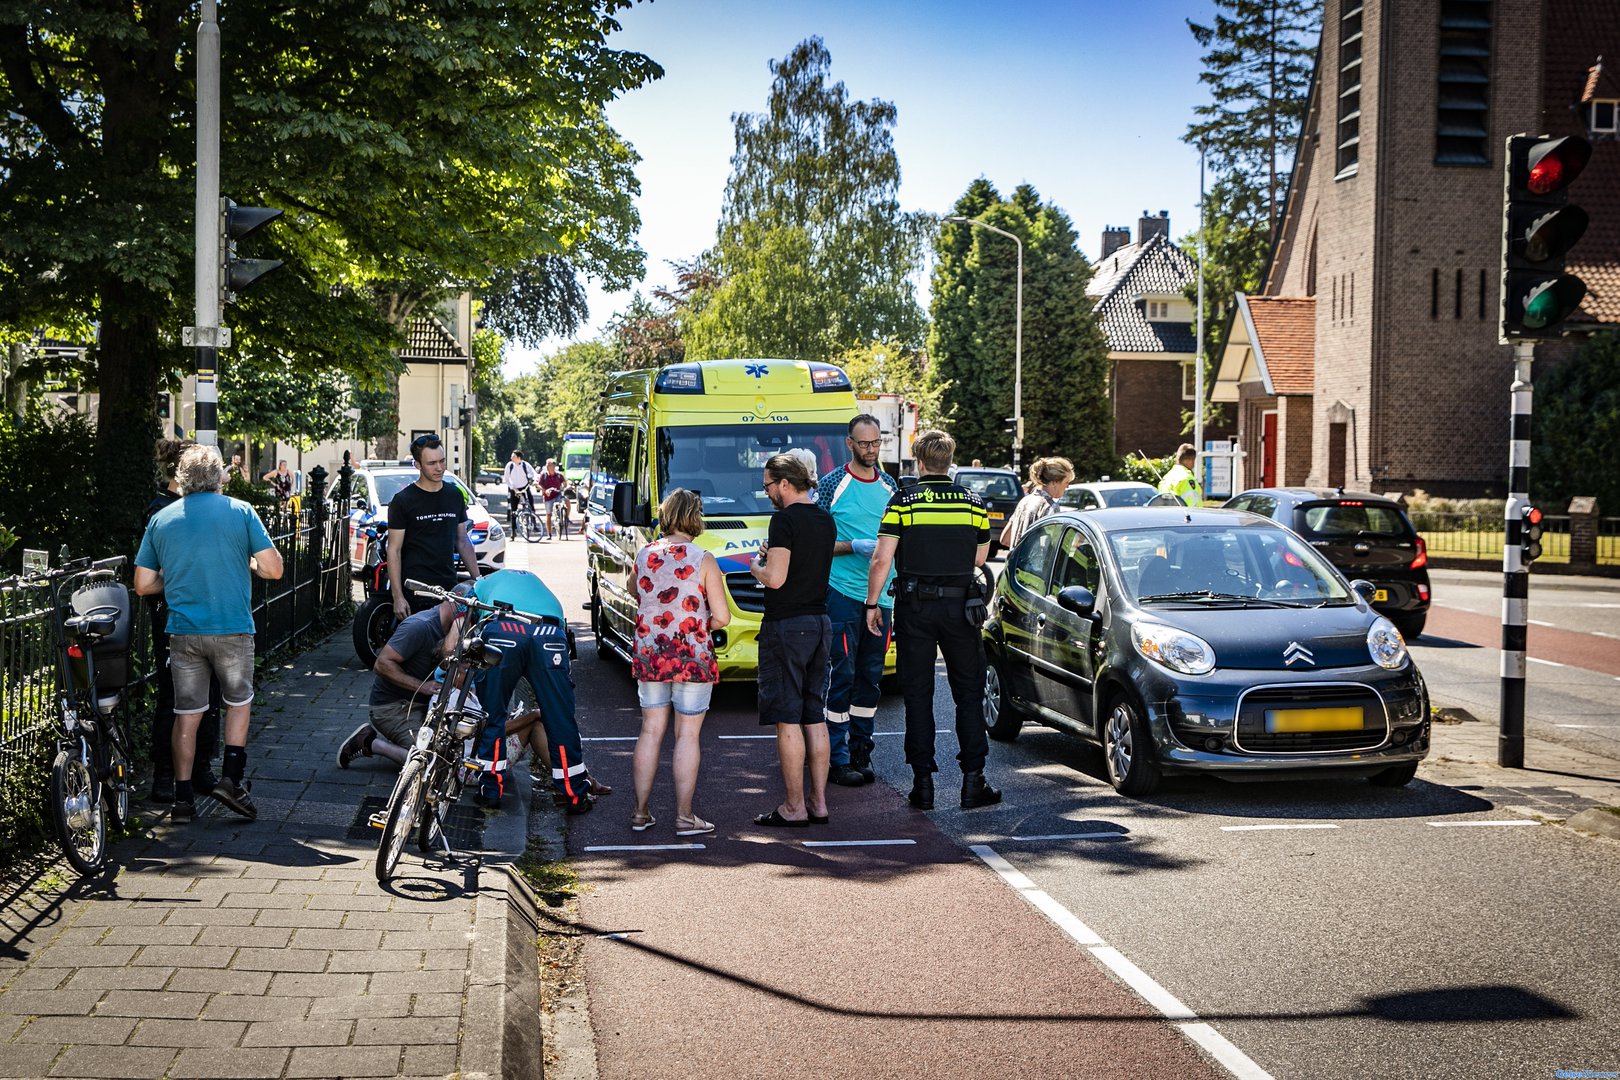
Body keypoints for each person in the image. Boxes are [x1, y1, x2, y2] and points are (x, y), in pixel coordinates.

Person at [134, 445, 284, 822]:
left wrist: (180, 574)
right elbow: (273, 569)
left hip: (183, 631)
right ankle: (231, 780)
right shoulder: (240, 512)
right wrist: (247, 562)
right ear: (218, 477)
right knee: (238, 702)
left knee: (186, 713)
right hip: (232, 628)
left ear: (182, 479)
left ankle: (182, 799)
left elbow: (142, 584)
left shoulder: (163, 518)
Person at [864, 429, 1001, 811]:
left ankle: (922, 785)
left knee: (918, 695)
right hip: (961, 609)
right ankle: (974, 781)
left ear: (919, 463)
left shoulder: (903, 501)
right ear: (949, 462)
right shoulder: (973, 502)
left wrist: (871, 604)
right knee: (969, 695)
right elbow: (978, 558)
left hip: (915, 609)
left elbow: (881, 558)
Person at [338, 585, 549, 771]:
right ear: (453, 601)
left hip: (424, 704)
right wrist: (423, 687)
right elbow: (381, 664)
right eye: (467, 610)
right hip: (393, 708)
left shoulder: (456, 633)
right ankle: (371, 743)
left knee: (444, 746)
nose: (471, 618)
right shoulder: (419, 626)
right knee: (432, 761)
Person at [627, 489, 730, 835]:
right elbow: (722, 616)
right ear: (695, 517)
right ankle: (685, 817)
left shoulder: (645, 553)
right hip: (691, 655)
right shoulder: (704, 560)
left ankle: (641, 813)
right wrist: (699, 623)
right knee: (687, 735)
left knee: (650, 730)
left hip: (650, 652)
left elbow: (635, 590)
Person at [468, 569, 608, 811]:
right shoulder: (534, 582)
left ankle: (490, 790)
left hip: (504, 630)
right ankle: (575, 794)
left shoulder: (480, 585)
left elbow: (464, 621)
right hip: (549, 631)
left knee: (492, 715)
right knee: (559, 718)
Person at [749, 453, 836, 827]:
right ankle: (818, 803)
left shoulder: (783, 520)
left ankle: (793, 806)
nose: (767, 492)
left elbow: (776, 579)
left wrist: (756, 566)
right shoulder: (825, 519)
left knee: (788, 719)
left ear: (785, 484)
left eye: (769, 485)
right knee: (814, 715)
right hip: (820, 621)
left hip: (787, 625)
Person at [817, 415, 898, 788]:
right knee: (842, 674)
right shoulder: (833, 484)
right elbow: (813, 544)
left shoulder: (889, 486)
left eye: (876, 443)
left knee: (870, 676)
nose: (871, 450)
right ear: (849, 444)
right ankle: (836, 757)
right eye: (864, 443)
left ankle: (861, 749)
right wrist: (852, 546)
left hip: (881, 598)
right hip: (844, 595)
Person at [142, 438, 221, 803]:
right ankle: (163, 772)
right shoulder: (161, 511)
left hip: (206, 612)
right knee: (173, 694)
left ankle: (201, 766)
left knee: (211, 692)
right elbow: (150, 571)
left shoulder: (200, 507)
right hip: (172, 614)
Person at [387, 433, 481, 625]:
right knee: (419, 650)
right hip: (415, 589)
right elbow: (394, 550)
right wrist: (398, 597)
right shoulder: (403, 501)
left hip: (448, 588)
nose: (439, 468)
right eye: (431, 463)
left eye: (442, 461)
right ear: (418, 465)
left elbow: (462, 540)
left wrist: (479, 581)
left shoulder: (454, 495)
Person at [1000, 456, 1074, 550]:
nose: (1067, 487)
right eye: (1066, 482)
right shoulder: (1050, 507)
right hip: (1035, 564)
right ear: (1055, 482)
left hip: (1014, 563)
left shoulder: (1024, 501)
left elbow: (1005, 539)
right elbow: (1054, 546)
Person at [503, 450, 536, 529]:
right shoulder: (509, 466)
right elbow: (506, 478)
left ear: (519, 458)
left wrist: (533, 480)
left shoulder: (525, 465)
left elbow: (533, 474)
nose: (511, 458)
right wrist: (512, 488)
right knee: (514, 510)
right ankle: (513, 530)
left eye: (513, 456)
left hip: (525, 488)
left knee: (531, 506)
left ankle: (534, 524)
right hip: (514, 489)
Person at [538, 458, 566, 538]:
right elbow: (539, 485)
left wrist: (564, 487)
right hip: (548, 497)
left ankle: (564, 517)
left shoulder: (559, 475)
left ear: (554, 466)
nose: (548, 466)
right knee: (549, 514)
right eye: (547, 465)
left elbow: (564, 483)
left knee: (566, 501)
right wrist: (545, 490)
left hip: (557, 494)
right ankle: (549, 533)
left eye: (549, 465)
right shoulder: (544, 475)